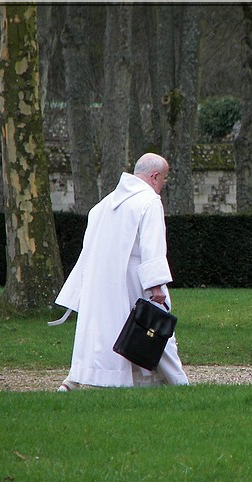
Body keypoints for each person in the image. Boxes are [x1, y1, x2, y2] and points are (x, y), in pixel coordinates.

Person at [52, 153, 189, 391]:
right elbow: (152, 245)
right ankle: (179, 383)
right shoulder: (149, 201)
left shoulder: (104, 204)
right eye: (164, 179)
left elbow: (90, 248)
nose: (163, 186)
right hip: (137, 278)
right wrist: (156, 284)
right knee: (157, 328)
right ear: (155, 176)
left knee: (105, 332)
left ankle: (75, 380)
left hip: (104, 280)